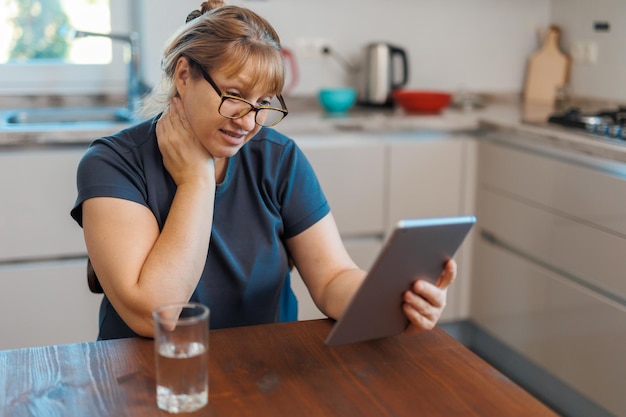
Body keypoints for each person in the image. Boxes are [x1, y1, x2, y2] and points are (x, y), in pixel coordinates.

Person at [70, 0, 457, 340]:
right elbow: (156, 315)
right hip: (149, 377)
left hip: (266, 369)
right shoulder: (113, 163)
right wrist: (196, 180)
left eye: (263, 103)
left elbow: (333, 278)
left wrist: (393, 300)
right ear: (184, 75)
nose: (248, 121)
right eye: (235, 95)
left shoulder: (278, 158)